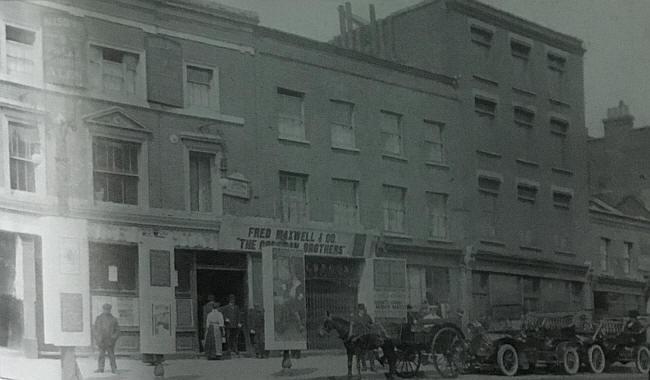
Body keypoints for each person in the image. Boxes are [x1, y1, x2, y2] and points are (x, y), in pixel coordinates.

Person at [93, 303, 120, 374]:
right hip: (101, 340)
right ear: (103, 309)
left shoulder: (113, 319)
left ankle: (114, 369)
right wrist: (97, 337)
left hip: (110, 340)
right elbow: (94, 329)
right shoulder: (98, 318)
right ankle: (100, 368)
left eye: (108, 309)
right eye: (105, 309)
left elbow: (117, 330)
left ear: (110, 310)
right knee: (101, 354)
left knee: (111, 355)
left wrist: (113, 338)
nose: (106, 311)